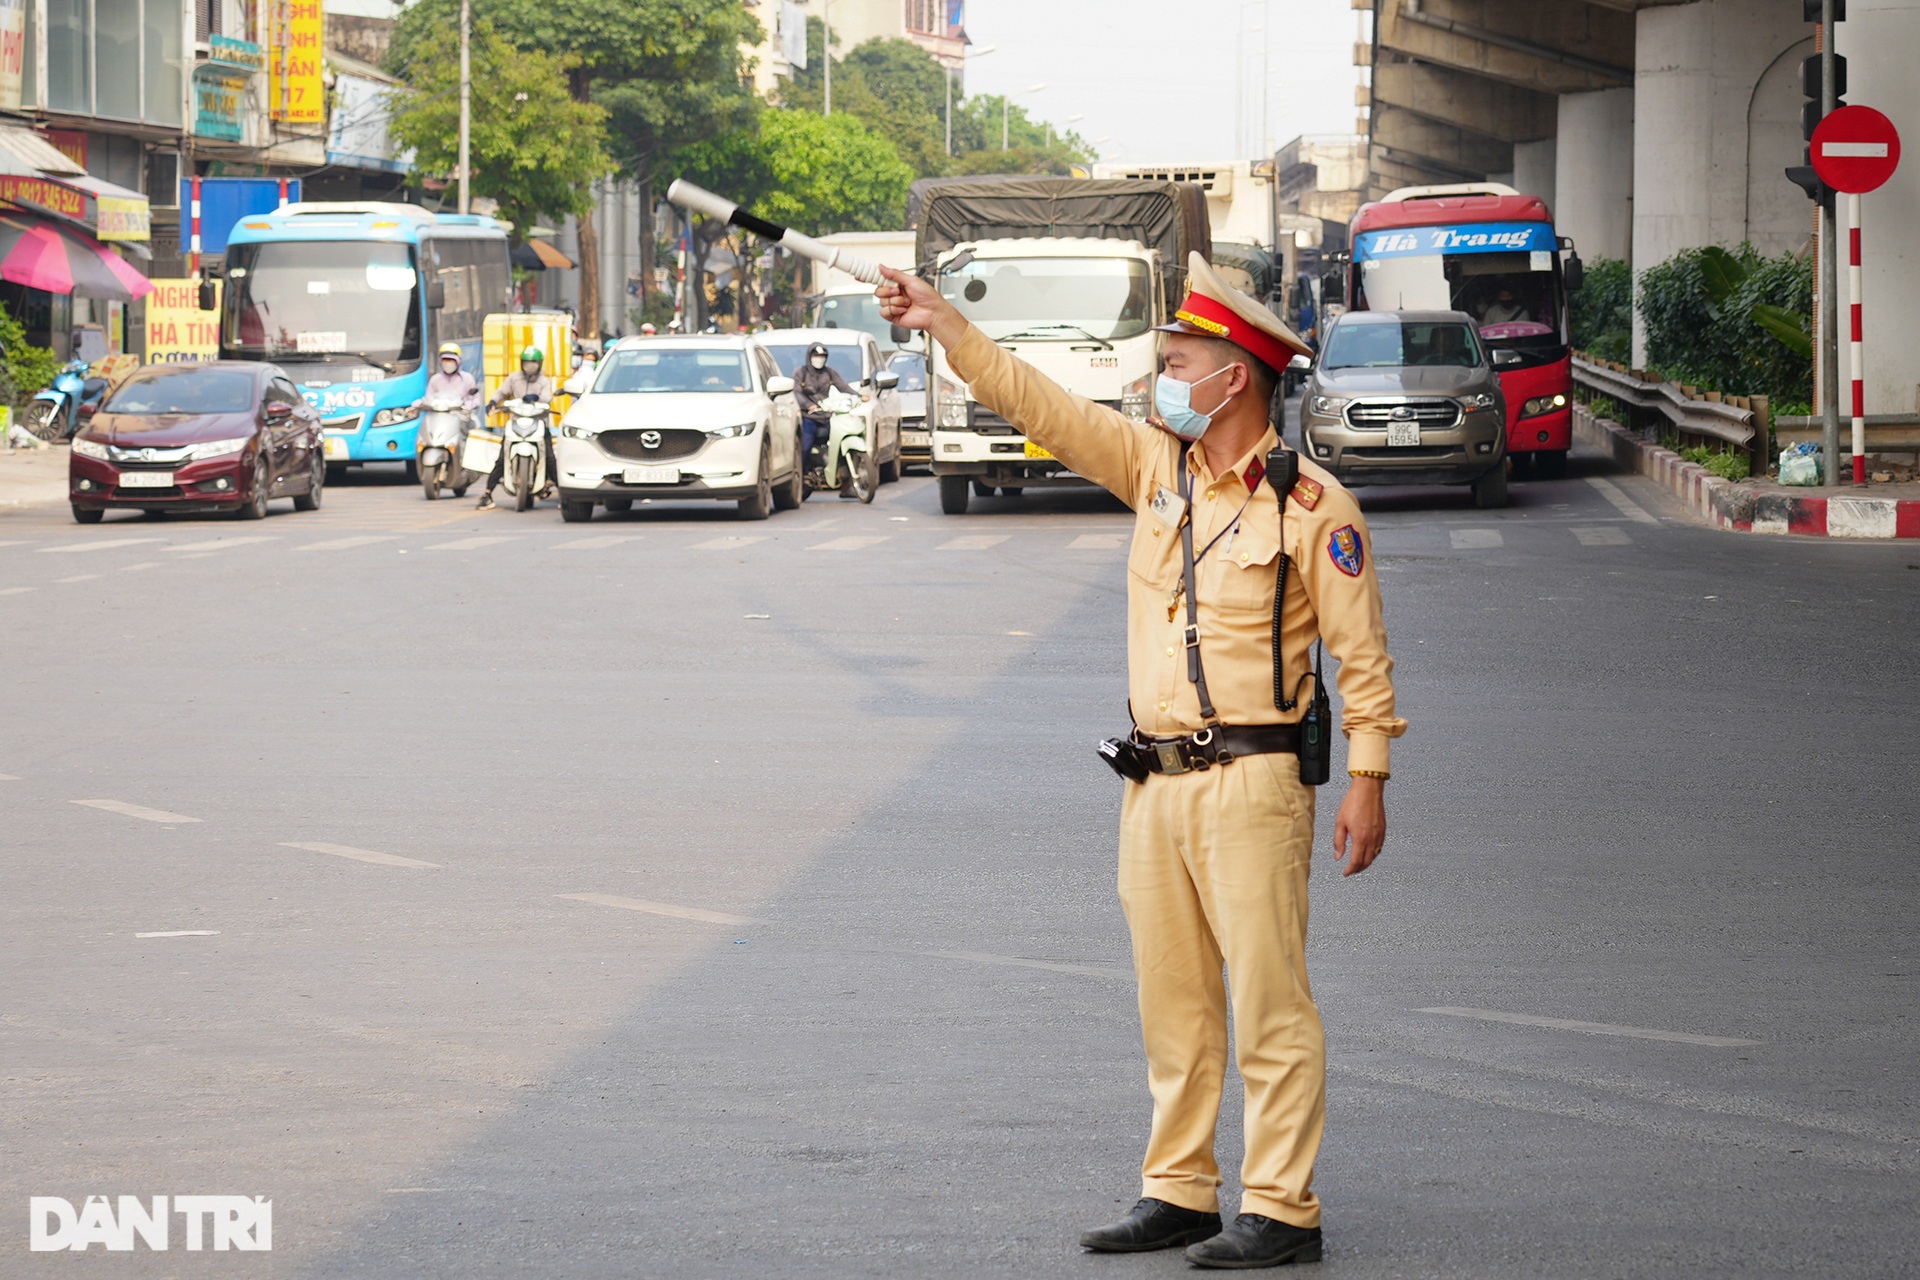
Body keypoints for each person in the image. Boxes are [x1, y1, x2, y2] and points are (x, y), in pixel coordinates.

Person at [878, 254, 1404, 1270]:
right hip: (1151, 782)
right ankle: (1180, 1186)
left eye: (1176, 360)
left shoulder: (1312, 506)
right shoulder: (1155, 469)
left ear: (1233, 376)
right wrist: (945, 323)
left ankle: (1283, 1204)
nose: (1160, 377)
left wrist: (1369, 778)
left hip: (1254, 782)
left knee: (1268, 998)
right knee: (1174, 999)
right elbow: (1039, 401)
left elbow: (1362, 654)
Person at [477, 346, 557, 510]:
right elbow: (501, 392)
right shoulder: (514, 378)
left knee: (549, 458)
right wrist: (493, 402)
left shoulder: (543, 381)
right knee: (501, 457)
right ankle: (487, 493)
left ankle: (564, 494)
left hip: (538, 423)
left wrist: (538, 399)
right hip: (516, 422)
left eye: (533, 363)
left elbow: (547, 398)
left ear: (539, 364)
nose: (530, 366)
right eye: (527, 363)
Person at [792, 342, 867, 468]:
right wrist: (809, 405)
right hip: (809, 417)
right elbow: (796, 392)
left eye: (822, 356)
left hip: (827, 416)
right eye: (816, 355)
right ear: (810, 356)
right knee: (805, 446)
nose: (819, 358)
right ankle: (802, 473)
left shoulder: (829, 373)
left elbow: (843, 387)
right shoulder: (801, 372)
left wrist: (858, 396)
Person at [418, 343, 482, 418]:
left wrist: (468, 405)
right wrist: (420, 403)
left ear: (458, 361)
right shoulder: (435, 379)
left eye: (451, 361)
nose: (448, 364)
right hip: (439, 418)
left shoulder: (467, 378)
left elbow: (476, 400)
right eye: (445, 360)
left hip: (462, 418)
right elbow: (428, 398)